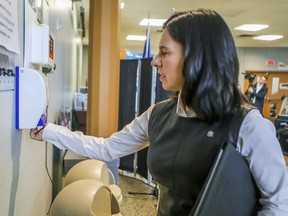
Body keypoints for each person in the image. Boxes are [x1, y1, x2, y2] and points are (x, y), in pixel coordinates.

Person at [31, 9, 288, 216]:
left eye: (164, 53)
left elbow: (278, 204)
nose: (155, 61)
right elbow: (107, 148)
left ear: (196, 57)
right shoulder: (158, 115)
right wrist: (50, 132)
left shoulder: (248, 125)